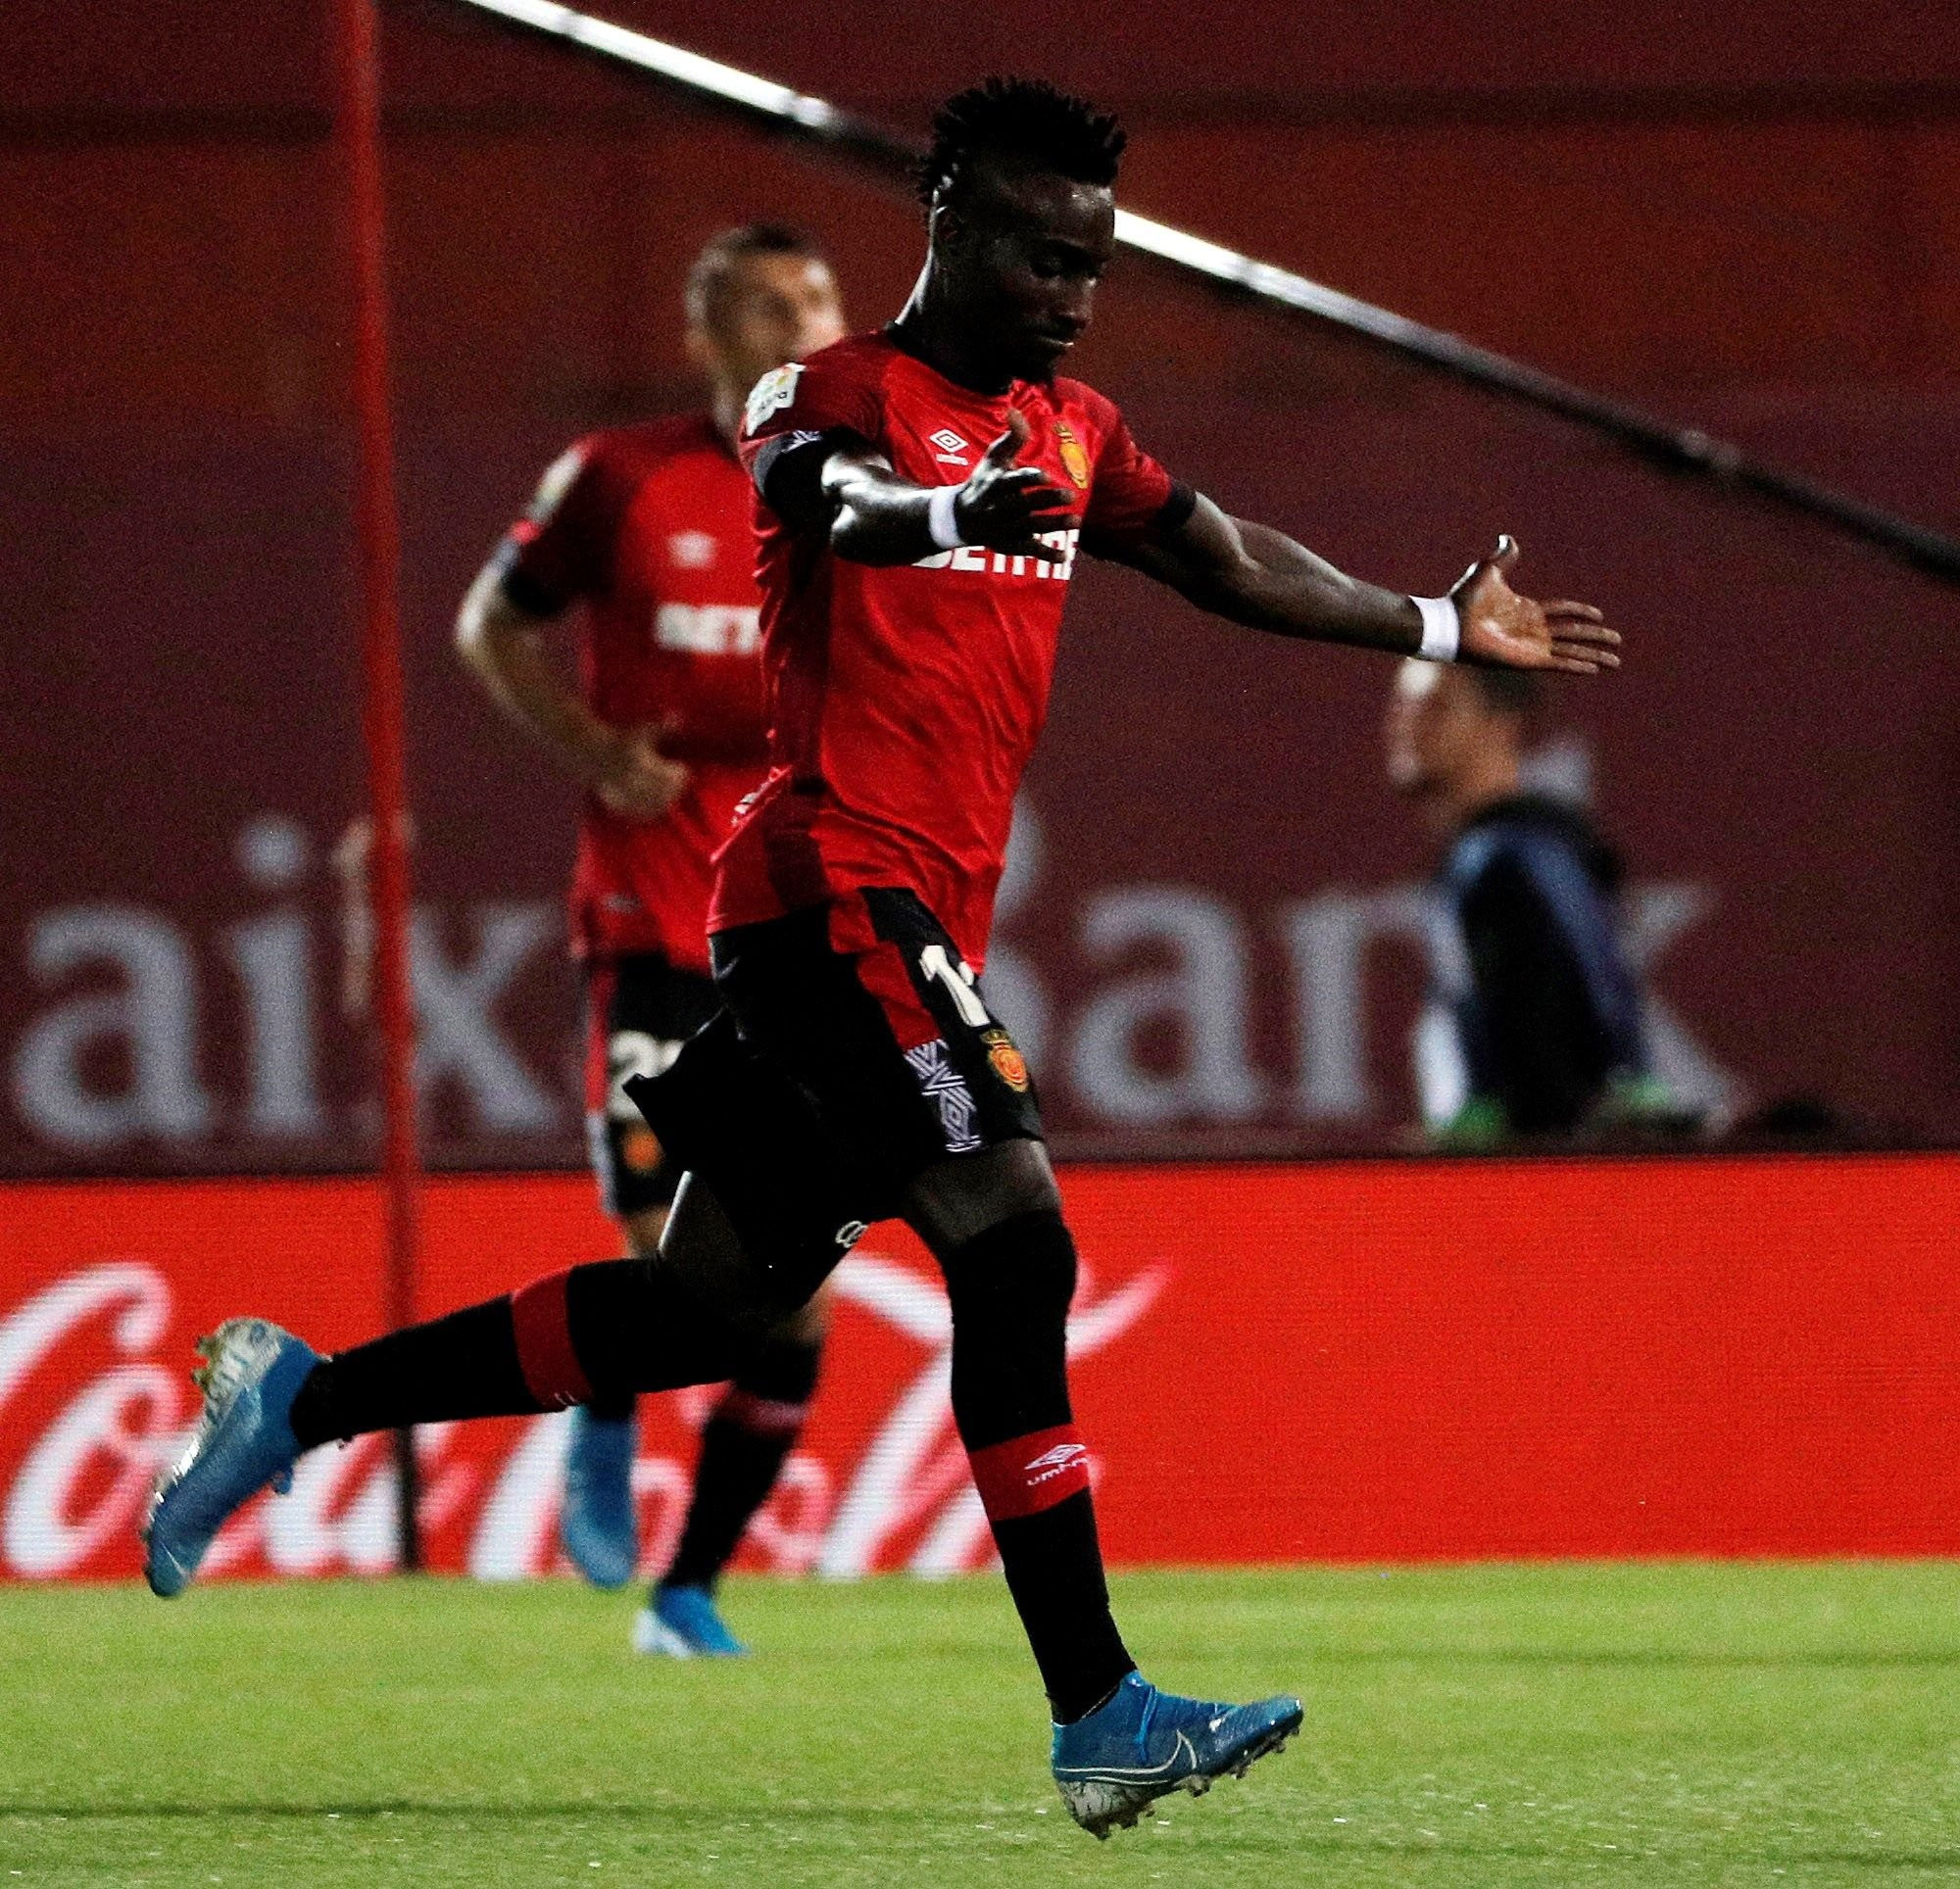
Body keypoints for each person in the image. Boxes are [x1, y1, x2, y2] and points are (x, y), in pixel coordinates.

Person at [144, 76, 1617, 1839]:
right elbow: (841, 500)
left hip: (892, 911)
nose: (1071, 292)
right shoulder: (824, 393)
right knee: (1015, 1227)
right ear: (948, 228)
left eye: (1094, 263)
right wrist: (947, 517)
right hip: (833, 889)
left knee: (708, 1311)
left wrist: (1437, 618)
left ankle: (301, 1395)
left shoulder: (1073, 426)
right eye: (1040, 254)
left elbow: (1213, 553)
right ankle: (1099, 1707)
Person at [455, 221, 846, 1658]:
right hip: (649, 917)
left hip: (803, 945)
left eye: (816, 299)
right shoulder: (619, 480)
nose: (796, 325)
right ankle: (606, 1411)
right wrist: (587, 745)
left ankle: (687, 1593)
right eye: (761, 305)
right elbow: (491, 625)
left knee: (786, 1305)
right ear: (706, 333)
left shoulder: (869, 496)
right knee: (654, 1237)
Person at [1384, 660, 1671, 1143]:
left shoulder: (1509, 857)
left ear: (1502, 726)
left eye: (1437, 705)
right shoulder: (1495, 856)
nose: (1407, 722)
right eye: (1402, 703)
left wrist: (1624, 1088)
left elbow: (1597, 1000)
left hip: (1543, 1183)